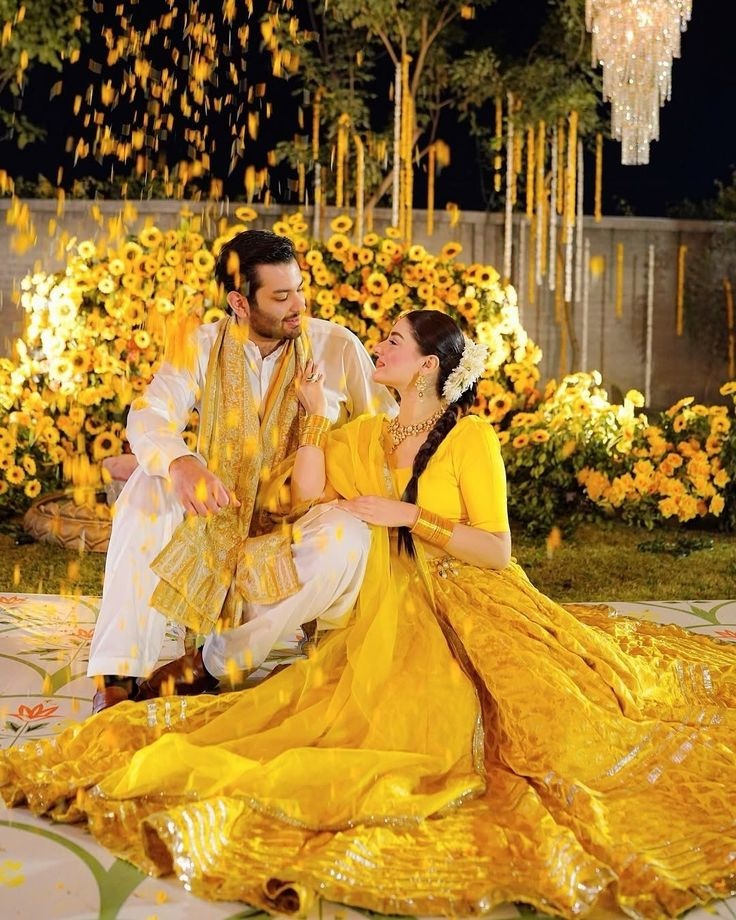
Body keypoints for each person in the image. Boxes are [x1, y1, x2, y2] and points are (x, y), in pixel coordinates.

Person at [2, 310, 736, 919]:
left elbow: (497, 547)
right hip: (385, 595)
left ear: (427, 366)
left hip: (470, 596)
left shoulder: (471, 437)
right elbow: (309, 494)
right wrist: (314, 417)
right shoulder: (366, 434)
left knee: (491, 727)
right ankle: (202, 659)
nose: (376, 347)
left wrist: (410, 515)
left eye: (392, 341)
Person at [87, 228, 395, 713]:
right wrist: (181, 463)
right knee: (148, 485)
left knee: (349, 537)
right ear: (240, 303)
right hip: (217, 511)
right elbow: (149, 414)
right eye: (281, 296)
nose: (299, 305)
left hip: (299, 522)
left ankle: (210, 665)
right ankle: (118, 674)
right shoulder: (202, 345)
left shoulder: (336, 347)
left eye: (299, 289)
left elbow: (385, 432)